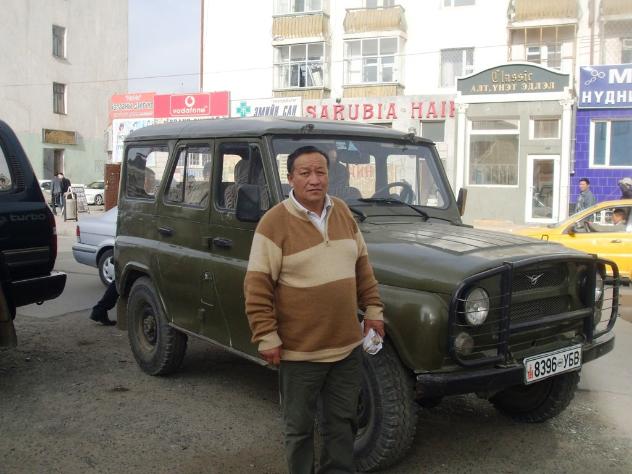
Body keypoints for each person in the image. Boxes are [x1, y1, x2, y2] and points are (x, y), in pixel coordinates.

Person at [244, 145, 384, 473]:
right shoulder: (273, 223)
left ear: (329, 176)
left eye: (320, 172)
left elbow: (363, 267)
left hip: (347, 349)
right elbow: (257, 286)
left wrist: (373, 310)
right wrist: (266, 335)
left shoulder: (343, 212)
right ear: (290, 178)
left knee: (343, 423)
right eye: (305, 173)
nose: (314, 179)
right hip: (300, 352)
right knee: (299, 429)